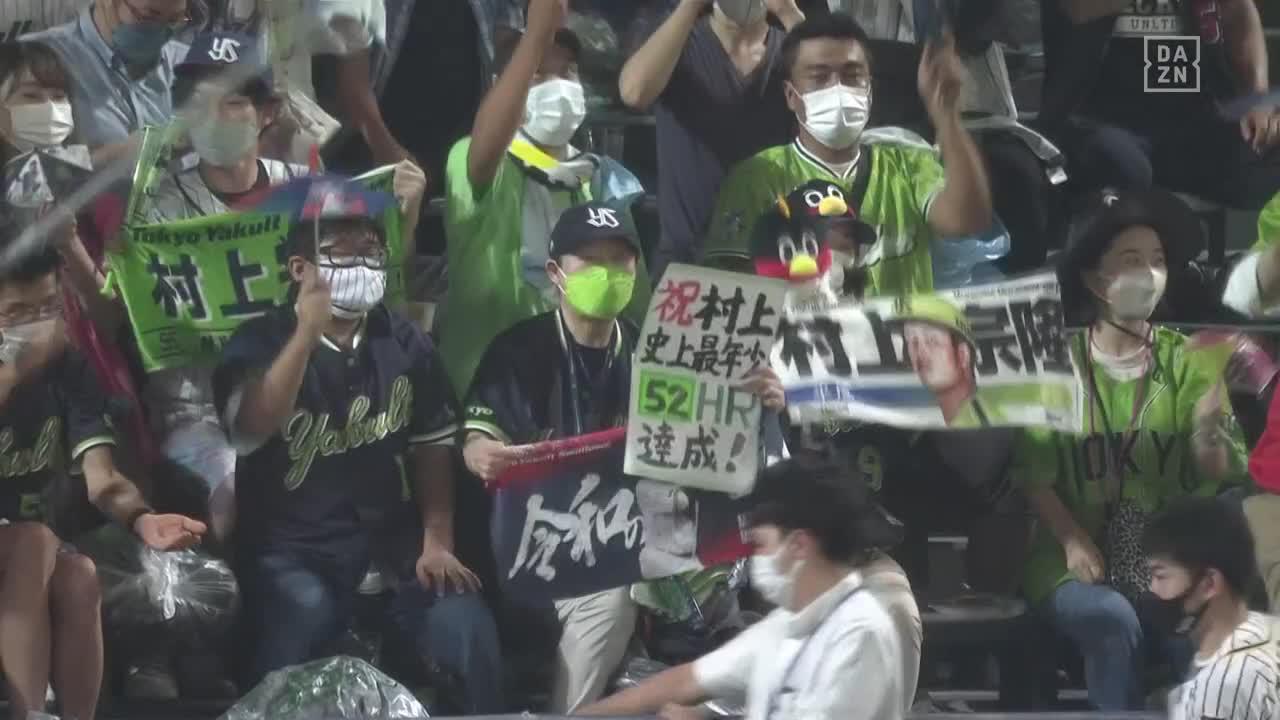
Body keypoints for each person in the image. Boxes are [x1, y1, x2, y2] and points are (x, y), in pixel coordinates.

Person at [211, 178, 503, 711]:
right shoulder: (257, 340)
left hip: (393, 545)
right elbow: (249, 431)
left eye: (371, 251)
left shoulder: (404, 341)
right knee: (301, 617)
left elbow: (431, 446)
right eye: (341, 253)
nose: (361, 264)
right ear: (299, 269)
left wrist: (437, 541)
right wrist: (305, 334)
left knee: (464, 621)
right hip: (294, 551)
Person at [1014, 187, 1250, 711]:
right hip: (1070, 560)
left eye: (1158, 260)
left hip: (1175, 560)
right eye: (1131, 260)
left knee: (1207, 632)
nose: (1150, 273)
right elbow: (1034, 475)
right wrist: (1073, 540)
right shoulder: (1056, 365)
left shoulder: (1192, 360)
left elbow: (1216, 469)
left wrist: (1209, 422)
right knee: (1112, 618)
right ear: (1095, 280)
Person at [0, 221, 206, 720]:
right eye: (17, 314)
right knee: (34, 541)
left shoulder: (68, 370)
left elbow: (102, 477)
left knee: (80, 576)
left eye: (47, 308)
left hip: (27, 551)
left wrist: (141, 518)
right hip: (24, 544)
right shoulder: (27, 366)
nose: (36, 326)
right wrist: (15, 371)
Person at [461, 199, 642, 713]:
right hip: (535, 549)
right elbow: (477, 436)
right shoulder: (519, 350)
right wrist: (481, 453)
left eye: (620, 260)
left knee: (621, 595)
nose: (607, 273)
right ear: (557, 273)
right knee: (612, 598)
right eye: (591, 261)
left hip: (627, 543)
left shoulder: (652, 350)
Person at [578, 456, 911, 720]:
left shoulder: (860, 632)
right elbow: (687, 681)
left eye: (761, 545)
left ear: (799, 545)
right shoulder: (786, 625)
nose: (755, 558)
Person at [440, 0, 651, 400]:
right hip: (494, 390)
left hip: (578, 388)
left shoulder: (600, 178)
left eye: (568, 71)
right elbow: (487, 144)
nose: (559, 86)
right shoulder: (477, 161)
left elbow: (637, 299)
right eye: (539, 72)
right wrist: (536, 33)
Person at [701, 12, 992, 297]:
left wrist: (947, 117)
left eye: (852, 75)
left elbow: (966, 221)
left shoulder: (909, 163)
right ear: (791, 95)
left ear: (870, 92)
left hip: (906, 329)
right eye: (819, 77)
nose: (837, 88)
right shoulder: (757, 178)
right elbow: (729, 287)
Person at [618, 0, 805, 276]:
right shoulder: (679, 43)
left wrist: (789, 13)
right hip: (686, 259)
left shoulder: (792, 51)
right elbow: (634, 92)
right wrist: (690, 6)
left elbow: (826, 97)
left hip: (771, 256)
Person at [1040, 0, 1279, 211]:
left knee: (1268, 149)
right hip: (1102, 121)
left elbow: (1238, 11)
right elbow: (1078, 9)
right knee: (1123, 166)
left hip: (1196, 121)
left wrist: (1256, 98)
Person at [1145, 497, 1280, 720]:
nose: (1152, 588)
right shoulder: (1269, 633)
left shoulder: (1220, 690)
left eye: (1161, 576)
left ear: (1209, 583)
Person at [25, 0, 190, 165]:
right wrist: (123, 153)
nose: (160, 33)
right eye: (147, 17)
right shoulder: (31, 61)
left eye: (173, 21)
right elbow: (26, 170)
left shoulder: (187, 63)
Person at [899, 296, 1007, 429]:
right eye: (913, 341)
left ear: (963, 354)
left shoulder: (988, 424)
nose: (920, 352)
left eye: (932, 340)